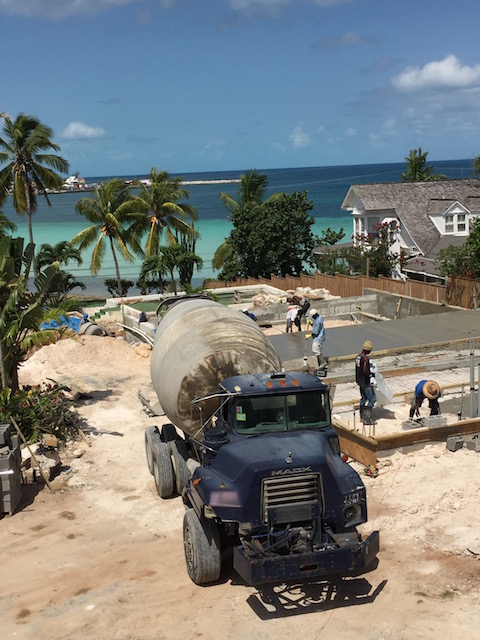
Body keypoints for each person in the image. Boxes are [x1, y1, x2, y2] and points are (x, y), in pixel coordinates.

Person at [355, 340, 376, 422]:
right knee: (372, 399)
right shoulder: (365, 358)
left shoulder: (358, 356)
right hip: (365, 381)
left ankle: (361, 416)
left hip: (359, 381)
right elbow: (365, 371)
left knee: (363, 398)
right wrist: (371, 373)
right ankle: (367, 419)